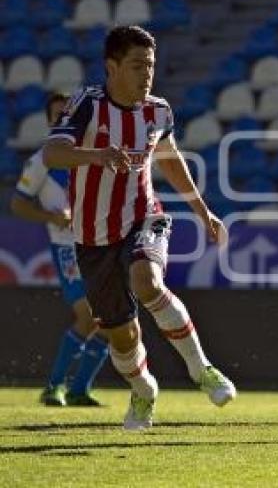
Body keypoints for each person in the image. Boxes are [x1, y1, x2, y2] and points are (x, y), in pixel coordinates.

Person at [43, 25, 236, 430]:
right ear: (111, 67)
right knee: (122, 336)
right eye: (136, 66)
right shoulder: (86, 106)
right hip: (92, 237)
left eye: (150, 65)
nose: (146, 74)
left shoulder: (159, 110)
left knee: (147, 280)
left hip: (143, 215)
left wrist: (203, 211)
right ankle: (144, 391)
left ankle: (202, 370)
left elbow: (168, 157)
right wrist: (97, 155)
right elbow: (52, 153)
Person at [11, 92, 109, 407]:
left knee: (112, 320)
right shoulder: (40, 161)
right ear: (50, 121)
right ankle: (53, 386)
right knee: (88, 314)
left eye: (67, 113)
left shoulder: (93, 154)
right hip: (68, 247)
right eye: (57, 115)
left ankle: (79, 389)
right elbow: (17, 205)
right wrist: (51, 217)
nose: (62, 119)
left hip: (101, 244)